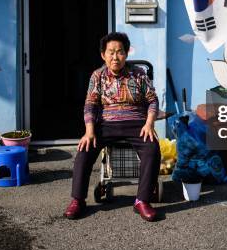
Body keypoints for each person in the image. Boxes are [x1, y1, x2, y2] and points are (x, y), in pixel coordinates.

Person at [63, 32, 161, 222]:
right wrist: (89, 131)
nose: (115, 57)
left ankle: (142, 200)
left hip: (136, 123)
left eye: (120, 52)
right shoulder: (97, 76)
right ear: (103, 55)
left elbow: (152, 100)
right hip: (106, 123)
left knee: (152, 148)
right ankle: (78, 200)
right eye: (111, 52)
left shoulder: (139, 74)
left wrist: (149, 123)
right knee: (84, 149)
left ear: (126, 53)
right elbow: (90, 104)